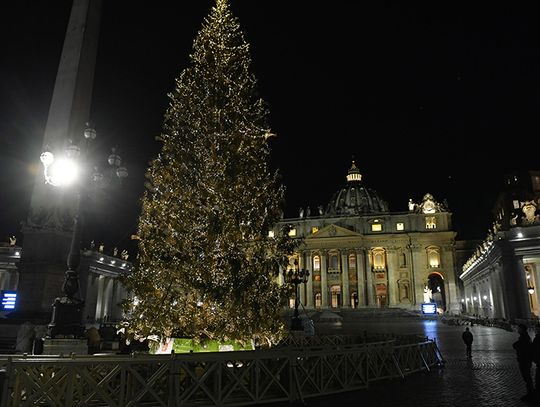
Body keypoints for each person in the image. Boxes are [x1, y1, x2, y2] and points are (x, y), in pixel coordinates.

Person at [513, 323, 534, 401]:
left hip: (524, 360)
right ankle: (530, 393)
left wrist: (516, 345)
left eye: (518, 329)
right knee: (527, 377)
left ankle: (530, 394)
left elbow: (517, 345)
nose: (517, 330)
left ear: (521, 329)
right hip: (526, 360)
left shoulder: (524, 337)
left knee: (527, 377)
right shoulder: (526, 337)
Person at [532, 325, 540, 399]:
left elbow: (534, 350)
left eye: (536, 329)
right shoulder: (536, 338)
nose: (535, 330)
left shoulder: (537, 339)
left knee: (538, 378)